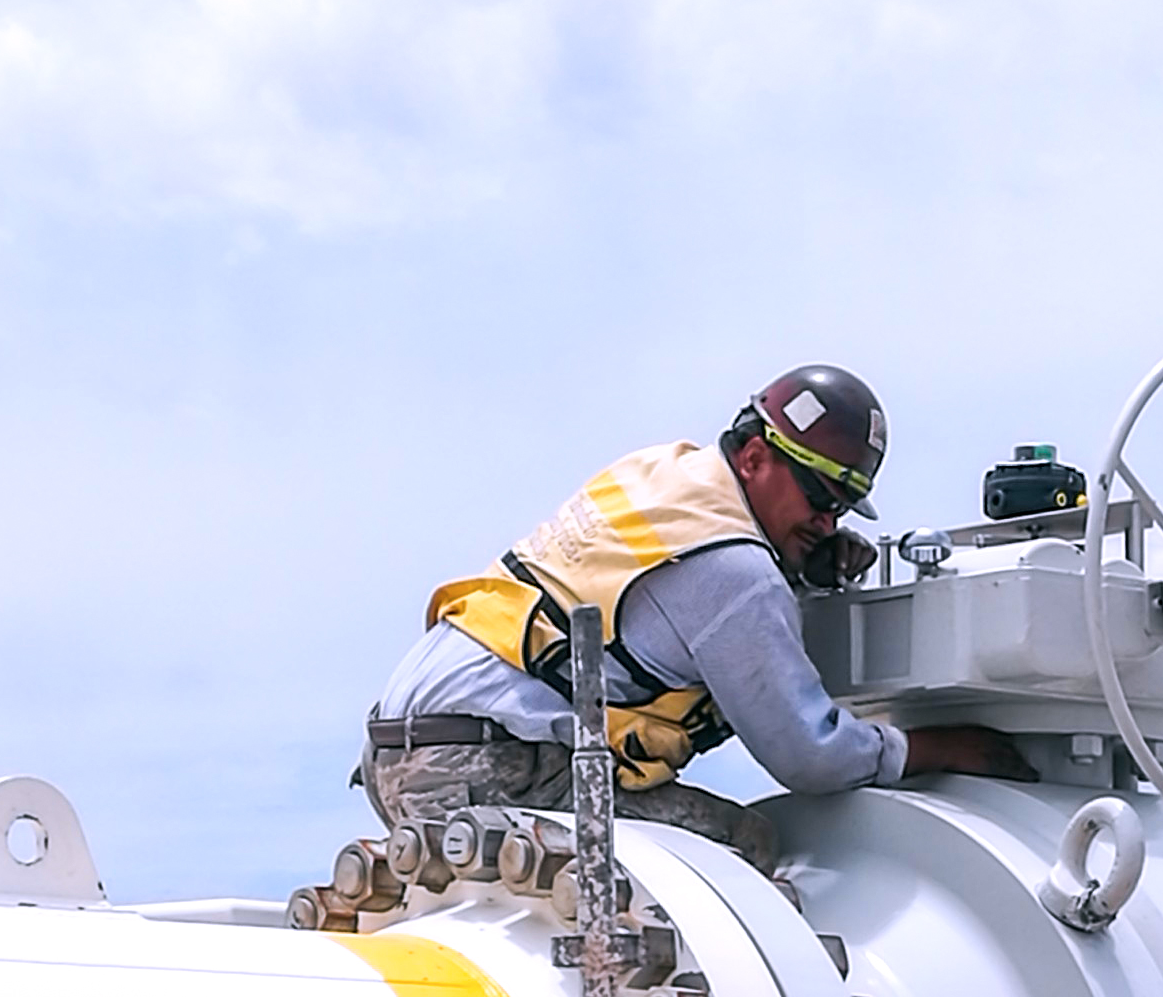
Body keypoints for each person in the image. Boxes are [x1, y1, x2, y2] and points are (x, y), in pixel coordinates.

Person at [361, 363, 1028, 873]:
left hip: (407, 741)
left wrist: (800, 563)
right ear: (756, 457)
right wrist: (935, 749)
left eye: (844, 509)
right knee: (745, 852)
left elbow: (665, 613)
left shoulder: (668, 472)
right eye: (819, 497)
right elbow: (809, 755)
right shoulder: (738, 576)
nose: (829, 521)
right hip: (480, 762)